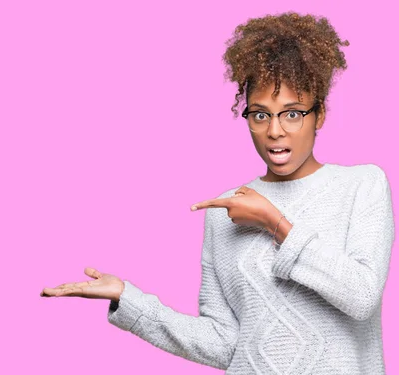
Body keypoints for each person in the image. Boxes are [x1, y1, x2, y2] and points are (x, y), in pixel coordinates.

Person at [39, 11, 395, 374]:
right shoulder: (224, 212)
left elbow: (362, 296)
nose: (275, 131)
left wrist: (275, 223)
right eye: (260, 115)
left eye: (291, 114)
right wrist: (129, 300)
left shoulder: (362, 185)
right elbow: (224, 343)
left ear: (318, 115)